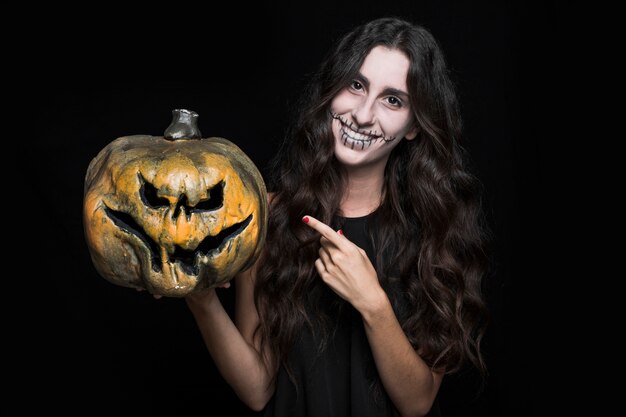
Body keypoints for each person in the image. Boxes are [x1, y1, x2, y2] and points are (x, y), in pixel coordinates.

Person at [184, 16, 490, 417]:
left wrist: (373, 303)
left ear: (415, 125)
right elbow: (258, 388)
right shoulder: (268, 216)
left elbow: (417, 403)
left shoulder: (431, 233)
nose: (363, 115)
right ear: (333, 89)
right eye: (357, 85)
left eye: (392, 100)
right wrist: (199, 297)